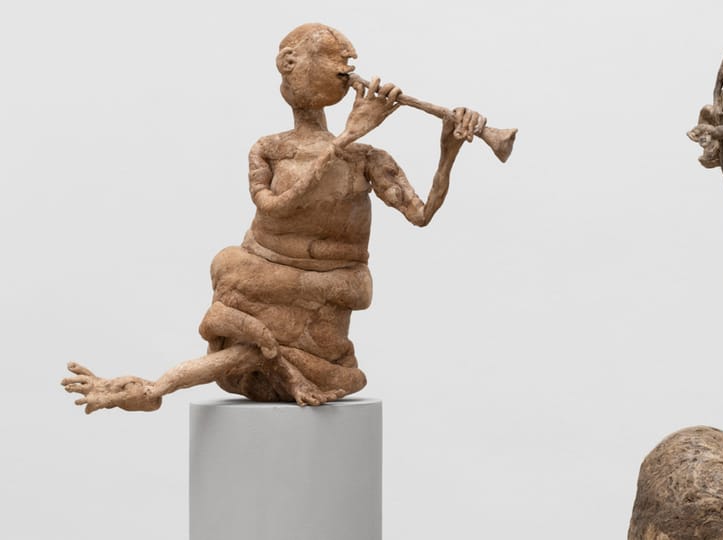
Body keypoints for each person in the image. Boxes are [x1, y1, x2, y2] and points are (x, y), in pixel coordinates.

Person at [62, 23, 486, 412]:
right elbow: (274, 205)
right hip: (259, 277)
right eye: (333, 57)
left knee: (261, 354)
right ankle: (152, 389)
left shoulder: (366, 157)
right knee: (251, 340)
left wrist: (448, 148)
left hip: (331, 289)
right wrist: (346, 137)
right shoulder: (270, 148)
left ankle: (154, 388)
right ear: (288, 64)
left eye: (346, 60)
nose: (344, 67)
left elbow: (421, 213)